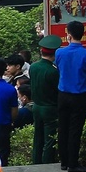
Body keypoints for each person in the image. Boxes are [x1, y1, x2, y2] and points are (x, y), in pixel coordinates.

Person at [55, 20, 86, 172]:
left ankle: (64, 162)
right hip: (79, 95)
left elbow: (60, 69)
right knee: (75, 129)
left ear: (69, 35)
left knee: (63, 127)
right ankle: (73, 163)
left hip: (63, 94)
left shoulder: (59, 52)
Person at [29, 35, 61, 164]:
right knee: (49, 140)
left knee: (38, 137)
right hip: (50, 108)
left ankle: (35, 162)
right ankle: (47, 164)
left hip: (36, 107)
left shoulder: (33, 67)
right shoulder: (53, 71)